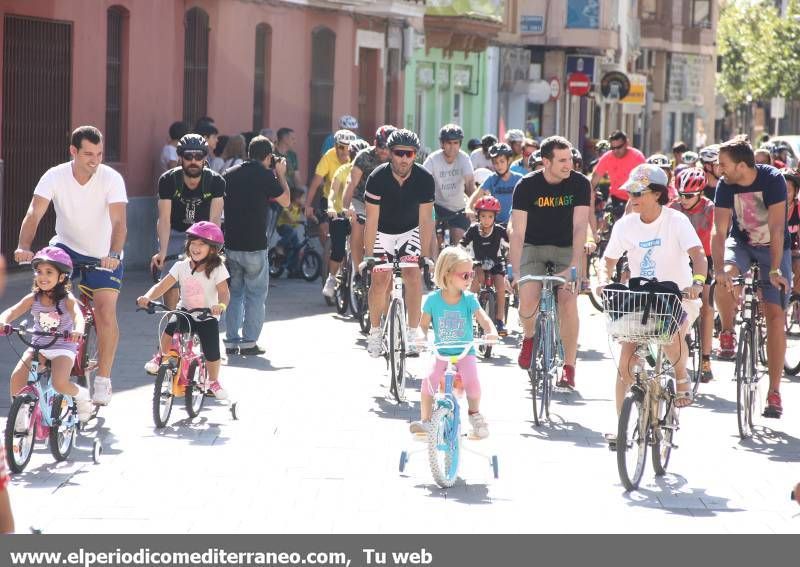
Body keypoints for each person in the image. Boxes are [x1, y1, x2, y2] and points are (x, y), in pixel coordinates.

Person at [14, 126, 127, 406]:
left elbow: (119, 223)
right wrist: (24, 246)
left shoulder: (111, 178)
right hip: (65, 249)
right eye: (88, 153)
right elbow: (34, 212)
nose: (95, 160)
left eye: (99, 154)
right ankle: (48, 354)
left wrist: (113, 252)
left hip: (104, 256)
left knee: (104, 312)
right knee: (51, 302)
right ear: (73, 151)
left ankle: (103, 378)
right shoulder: (55, 175)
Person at [598, 164, 707, 414]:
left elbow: (698, 254)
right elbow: (608, 260)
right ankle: (620, 425)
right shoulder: (625, 225)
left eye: (638, 193)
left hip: (678, 296)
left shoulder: (676, 220)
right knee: (626, 356)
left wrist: (697, 282)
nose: (632, 198)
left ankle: (681, 377)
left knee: (668, 330)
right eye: (630, 193)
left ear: (657, 194)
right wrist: (603, 280)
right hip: (642, 299)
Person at [712, 136, 791, 418]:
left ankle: (774, 392)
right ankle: (727, 331)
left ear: (742, 166)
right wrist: (719, 268)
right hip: (742, 244)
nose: (718, 169)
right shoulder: (724, 185)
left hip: (773, 248)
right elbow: (719, 231)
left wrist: (775, 270)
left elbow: (778, 228)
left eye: (723, 164)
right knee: (723, 278)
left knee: (775, 316)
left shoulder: (772, 180)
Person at [510, 136, 591, 389]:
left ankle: (569, 367)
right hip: (533, 247)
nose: (570, 165)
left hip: (567, 248)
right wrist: (516, 272)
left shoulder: (579, 184)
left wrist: (574, 267)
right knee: (528, 300)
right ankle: (529, 336)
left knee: (568, 302)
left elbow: (580, 227)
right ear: (546, 162)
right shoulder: (526, 186)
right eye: (563, 160)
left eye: (571, 159)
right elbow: (517, 232)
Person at [410, 246, 498, 437]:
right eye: (465, 275)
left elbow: (483, 318)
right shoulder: (433, 300)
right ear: (448, 274)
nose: (470, 280)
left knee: (472, 381)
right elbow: (423, 325)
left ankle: (474, 414)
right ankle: (426, 421)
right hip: (441, 352)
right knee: (429, 380)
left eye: (471, 275)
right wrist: (420, 335)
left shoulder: (469, 299)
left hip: (465, 353)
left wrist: (491, 330)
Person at [137, 222, 230, 399]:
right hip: (185, 310)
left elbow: (225, 294)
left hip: (206, 314)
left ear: (213, 249)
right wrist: (147, 297)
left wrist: (221, 306)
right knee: (171, 326)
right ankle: (160, 357)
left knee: (211, 349)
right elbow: (162, 285)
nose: (195, 247)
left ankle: (213, 381)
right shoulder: (181, 266)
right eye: (193, 243)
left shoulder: (218, 268)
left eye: (201, 244)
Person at [0, 247, 93, 421]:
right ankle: (20, 418)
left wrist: (78, 330)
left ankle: (82, 395)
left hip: (63, 346)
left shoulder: (67, 299)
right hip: (39, 346)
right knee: (17, 377)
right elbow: (13, 311)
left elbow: (77, 316)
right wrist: (3, 320)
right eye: (39, 272)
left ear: (62, 277)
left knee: (60, 384)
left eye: (49, 272)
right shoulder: (33, 298)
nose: (42, 276)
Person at [364, 129, 434, 357]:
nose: (404, 158)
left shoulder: (424, 179)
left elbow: (425, 220)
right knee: (380, 279)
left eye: (409, 154)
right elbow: (371, 220)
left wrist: (425, 254)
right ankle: (375, 332)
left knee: (413, 275)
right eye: (399, 153)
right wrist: (368, 256)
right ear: (390, 154)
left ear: (415, 155)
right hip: (381, 231)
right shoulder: (376, 178)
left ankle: (413, 333)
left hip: (409, 231)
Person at [222, 135, 290, 356]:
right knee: (256, 294)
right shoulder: (265, 176)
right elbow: (286, 201)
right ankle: (249, 341)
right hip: (255, 245)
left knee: (234, 293)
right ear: (269, 156)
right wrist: (280, 174)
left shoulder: (230, 174)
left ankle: (231, 340)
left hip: (231, 242)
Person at [150, 133, 224, 316]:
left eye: (198, 156)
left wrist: (215, 249)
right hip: (175, 231)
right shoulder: (168, 180)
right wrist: (163, 251)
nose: (193, 161)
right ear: (180, 157)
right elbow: (164, 218)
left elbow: (215, 220)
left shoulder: (215, 181)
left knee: (205, 278)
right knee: (172, 278)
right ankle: (172, 321)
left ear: (205, 158)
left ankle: (200, 320)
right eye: (188, 156)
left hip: (203, 236)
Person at [669, 167, 716, 382]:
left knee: (705, 303)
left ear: (700, 193)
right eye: (681, 195)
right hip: (679, 257)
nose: (684, 200)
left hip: (705, 257)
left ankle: (706, 358)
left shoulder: (710, 209)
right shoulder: (673, 207)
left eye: (689, 196)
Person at [305, 129, 356, 298]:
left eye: (348, 148)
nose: (344, 151)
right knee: (331, 236)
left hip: (354, 206)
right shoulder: (329, 156)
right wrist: (307, 205)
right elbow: (316, 182)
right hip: (331, 201)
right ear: (335, 146)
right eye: (341, 147)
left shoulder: (358, 159)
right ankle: (330, 271)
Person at [343, 125, 396, 274]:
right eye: (380, 145)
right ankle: (358, 271)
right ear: (374, 142)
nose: (384, 150)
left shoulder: (397, 160)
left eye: (387, 147)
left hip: (385, 203)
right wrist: (347, 208)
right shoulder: (364, 156)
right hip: (360, 199)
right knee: (358, 224)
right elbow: (351, 184)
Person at [423, 124, 475, 259]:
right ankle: (432, 266)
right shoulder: (433, 159)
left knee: (460, 243)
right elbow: (421, 181)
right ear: (442, 143)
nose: (452, 147)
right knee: (429, 228)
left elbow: (470, 184)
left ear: (460, 144)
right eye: (448, 143)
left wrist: (472, 205)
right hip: (437, 205)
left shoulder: (464, 158)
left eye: (456, 143)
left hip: (457, 208)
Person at [460, 196, 509, 335]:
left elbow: (511, 243)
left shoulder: (500, 230)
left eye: (490, 216)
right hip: (477, 262)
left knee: (500, 287)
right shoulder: (473, 229)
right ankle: (468, 314)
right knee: (476, 282)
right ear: (478, 216)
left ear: (495, 217)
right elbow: (462, 244)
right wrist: (458, 253)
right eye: (483, 216)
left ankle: (499, 320)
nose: (486, 220)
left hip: (496, 262)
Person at [591, 130, 646, 223]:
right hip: (615, 197)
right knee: (607, 217)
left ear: (626, 144)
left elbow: (645, 180)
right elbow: (595, 179)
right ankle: (605, 234)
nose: (616, 151)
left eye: (619, 147)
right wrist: (588, 193)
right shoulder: (607, 157)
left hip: (635, 198)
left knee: (630, 222)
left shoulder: (637, 156)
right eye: (613, 148)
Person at [467, 143, 522, 228]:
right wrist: (468, 208)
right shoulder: (492, 179)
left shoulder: (519, 179)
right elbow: (477, 194)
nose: (499, 165)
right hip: (496, 225)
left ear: (509, 160)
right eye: (495, 162)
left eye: (502, 161)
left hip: (515, 224)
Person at [276, 188, 307, 277]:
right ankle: (279, 245)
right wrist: (297, 221)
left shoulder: (299, 208)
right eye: (302, 198)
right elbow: (289, 216)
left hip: (291, 231)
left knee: (297, 247)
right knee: (292, 231)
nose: (304, 200)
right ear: (296, 198)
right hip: (282, 227)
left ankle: (293, 270)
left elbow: (309, 214)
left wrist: (315, 218)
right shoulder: (288, 206)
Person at [782, 168, 800, 294]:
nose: (783, 194)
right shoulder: (768, 207)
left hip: (793, 249)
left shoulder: (798, 209)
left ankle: (796, 296)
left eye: (787, 191)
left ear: (795, 192)